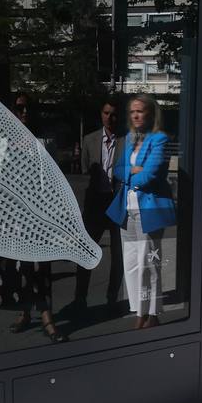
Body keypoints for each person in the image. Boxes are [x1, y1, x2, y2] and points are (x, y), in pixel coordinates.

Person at [107, 94, 176, 328]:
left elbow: (152, 174)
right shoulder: (129, 139)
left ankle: (151, 313)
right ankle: (139, 310)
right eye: (132, 112)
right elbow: (116, 170)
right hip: (127, 209)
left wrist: (133, 173)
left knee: (150, 263)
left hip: (149, 209)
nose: (136, 115)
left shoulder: (160, 140)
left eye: (141, 111)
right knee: (132, 264)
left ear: (151, 114)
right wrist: (133, 171)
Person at [7, 91, 65, 342]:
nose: (24, 113)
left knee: (41, 267)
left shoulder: (43, 142)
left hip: (40, 216)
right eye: (19, 108)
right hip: (14, 216)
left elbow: (54, 182)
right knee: (21, 268)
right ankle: (25, 312)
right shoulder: (1, 141)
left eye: (27, 108)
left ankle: (46, 317)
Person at [74, 98, 123, 311]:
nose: (109, 117)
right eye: (106, 113)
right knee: (86, 251)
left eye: (113, 114)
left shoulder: (126, 141)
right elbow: (84, 171)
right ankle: (80, 298)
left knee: (118, 255)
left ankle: (112, 297)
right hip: (95, 203)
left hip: (116, 202)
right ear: (101, 114)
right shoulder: (89, 140)